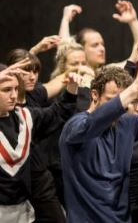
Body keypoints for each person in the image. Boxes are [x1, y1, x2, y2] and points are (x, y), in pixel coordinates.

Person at [59, 54, 138, 223]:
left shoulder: (127, 123)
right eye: (114, 100)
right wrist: (136, 86)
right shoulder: (74, 127)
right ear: (94, 95)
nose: (121, 107)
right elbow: (93, 123)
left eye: (126, 101)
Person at [0, 59, 80, 223]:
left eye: (16, 88)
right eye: (6, 90)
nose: (14, 95)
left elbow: (57, 113)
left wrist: (71, 89)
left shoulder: (25, 117)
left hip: (23, 210)